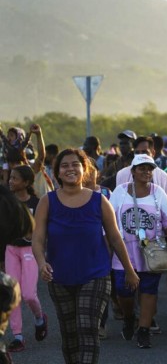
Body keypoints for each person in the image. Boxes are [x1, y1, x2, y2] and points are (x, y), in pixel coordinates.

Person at [32, 148, 139, 364]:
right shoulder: (47, 201)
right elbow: (38, 238)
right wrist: (42, 263)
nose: (70, 169)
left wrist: (129, 270)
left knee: (87, 329)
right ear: (57, 173)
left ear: (85, 169)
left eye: (75, 164)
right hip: (59, 278)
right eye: (65, 165)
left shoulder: (99, 201)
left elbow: (116, 238)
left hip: (95, 275)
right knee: (70, 335)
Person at [109, 154, 167, 349]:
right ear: (132, 171)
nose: (146, 171)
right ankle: (129, 317)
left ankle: (144, 330)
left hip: (151, 250)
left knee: (149, 290)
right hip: (124, 249)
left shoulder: (158, 192)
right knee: (124, 290)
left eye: (149, 168)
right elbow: (110, 218)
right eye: (142, 168)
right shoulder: (120, 192)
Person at [5, 165, 46, 353]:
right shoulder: (6, 201)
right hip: (11, 249)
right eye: (10, 178)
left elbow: (44, 228)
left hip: (30, 250)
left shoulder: (38, 202)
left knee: (29, 294)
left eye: (14, 178)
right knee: (13, 294)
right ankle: (18, 336)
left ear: (27, 183)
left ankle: (40, 318)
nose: (10, 181)